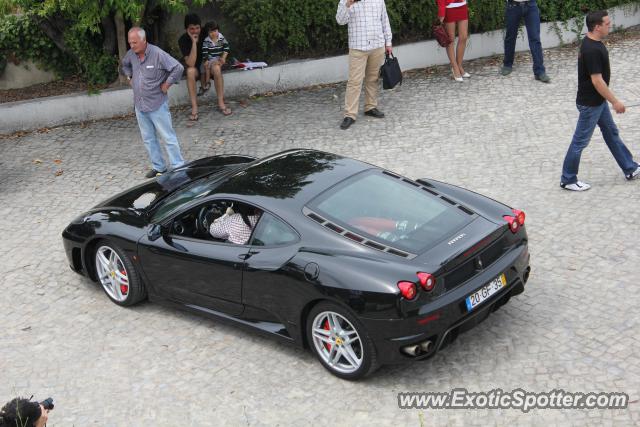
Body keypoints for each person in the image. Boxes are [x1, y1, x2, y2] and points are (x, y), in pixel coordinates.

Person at [559, 10, 640, 191]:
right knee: (580, 141)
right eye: (607, 24)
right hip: (590, 104)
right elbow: (597, 80)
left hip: (597, 102)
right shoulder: (592, 50)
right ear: (597, 27)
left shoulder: (592, 42)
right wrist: (615, 102)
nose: (609, 26)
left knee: (611, 132)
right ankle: (568, 178)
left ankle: (630, 168)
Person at [122, 27, 185, 179]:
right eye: (130, 43)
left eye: (135, 43)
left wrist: (167, 84)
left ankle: (179, 167)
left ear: (144, 41)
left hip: (157, 104)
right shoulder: (131, 54)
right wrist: (129, 77)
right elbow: (124, 64)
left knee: (168, 137)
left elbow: (178, 67)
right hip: (140, 105)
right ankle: (159, 167)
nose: (132, 46)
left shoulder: (157, 54)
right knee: (149, 139)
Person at [336, 0, 393, 130]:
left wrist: (388, 42)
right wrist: (348, 4)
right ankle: (350, 114)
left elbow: (384, 20)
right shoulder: (346, 0)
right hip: (357, 47)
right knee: (354, 81)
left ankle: (370, 107)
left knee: (373, 78)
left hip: (377, 45)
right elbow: (340, 20)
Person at [501, 0, 550, 83]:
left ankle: (540, 71)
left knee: (535, 38)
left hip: (531, 5)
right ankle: (507, 64)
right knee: (510, 36)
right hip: (513, 5)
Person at [201, 21, 232, 116]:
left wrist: (223, 57)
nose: (213, 33)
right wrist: (206, 60)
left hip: (219, 59)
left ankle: (209, 84)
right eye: (210, 32)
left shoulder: (221, 37)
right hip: (211, 60)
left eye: (215, 31)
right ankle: (220, 101)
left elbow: (226, 48)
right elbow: (205, 52)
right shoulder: (206, 41)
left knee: (217, 68)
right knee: (214, 68)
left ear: (218, 30)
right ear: (207, 32)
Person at [178, 13, 204, 124]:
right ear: (186, 29)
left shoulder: (206, 34)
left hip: (207, 67)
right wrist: (194, 43)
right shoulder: (183, 40)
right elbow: (191, 63)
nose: (195, 31)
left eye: (197, 28)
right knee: (190, 71)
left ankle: (221, 103)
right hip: (196, 69)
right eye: (191, 29)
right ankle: (194, 107)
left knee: (216, 69)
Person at [437, 0, 470, 82]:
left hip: (462, 5)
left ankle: (459, 66)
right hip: (449, 7)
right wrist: (441, 11)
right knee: (451, 39)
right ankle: (455, 68)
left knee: (464, 37)